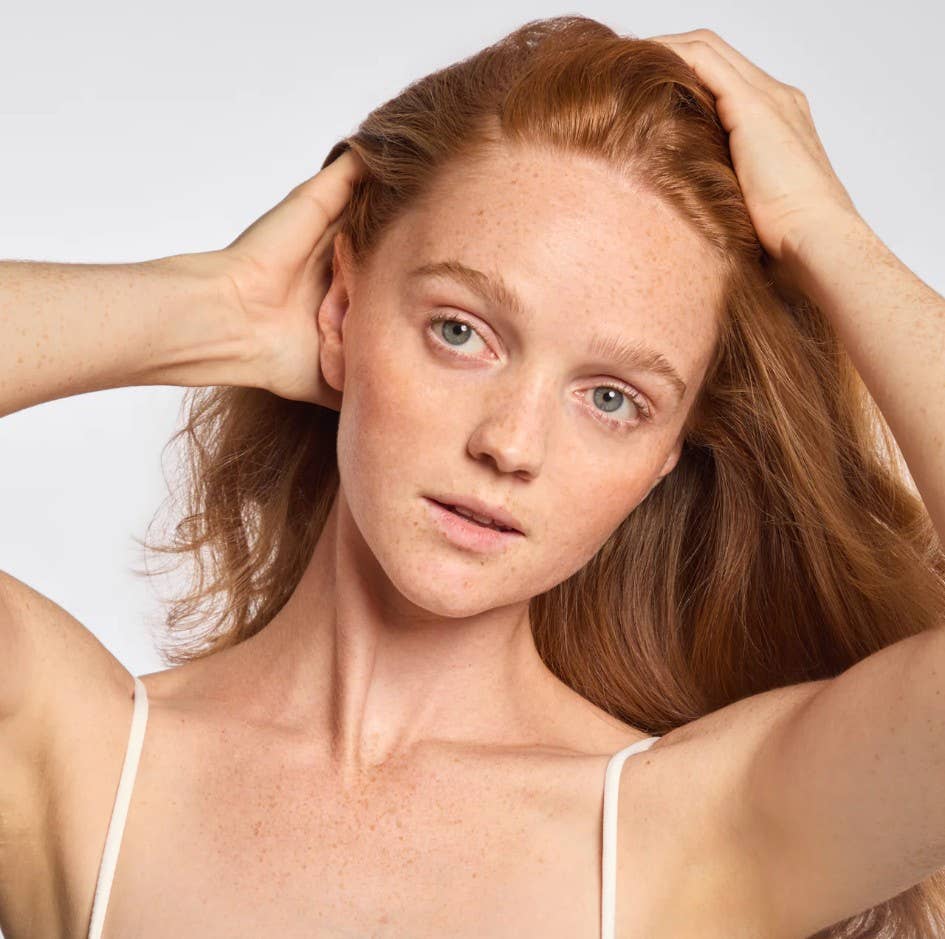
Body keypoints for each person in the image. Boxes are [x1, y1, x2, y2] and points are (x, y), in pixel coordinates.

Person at [2, 14, 945, 938]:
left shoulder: (684, 832)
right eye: (461, 331)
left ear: (666, 454)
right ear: (342, 304)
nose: (511, 443)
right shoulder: (82, 758)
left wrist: (827, 233)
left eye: (611, 398)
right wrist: (216, 307)